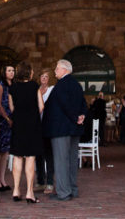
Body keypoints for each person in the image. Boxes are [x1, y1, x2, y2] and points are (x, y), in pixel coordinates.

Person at [41, 59, 87, 202]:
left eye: (57, 68)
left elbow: (65, 105)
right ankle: (72, 189)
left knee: (61, 160)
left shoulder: (61, 85)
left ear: (65, 70)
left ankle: (63, 192)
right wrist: (81, 116)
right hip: (74, 128)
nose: (55, 71)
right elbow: (83, 103)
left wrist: (75, 117)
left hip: (61, 129)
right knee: (72, 160)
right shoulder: (77, 85)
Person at [8, 61, 44, 204]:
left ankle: (16, 190)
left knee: (17, 157)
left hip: (18, 125)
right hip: (32, 125)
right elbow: (41, 106)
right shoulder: (35, 86)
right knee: (30, 158)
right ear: (29, 72)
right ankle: (29, 192)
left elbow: (11, 108)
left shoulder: (13, 88)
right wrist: (32, 114)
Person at [0, 64, 15, 192]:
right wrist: (7, 118)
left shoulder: (12, 86)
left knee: (5, 152)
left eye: (13, 70)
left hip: (10, 121)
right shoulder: (0, 85)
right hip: (2, 121)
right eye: (9, 70)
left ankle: (2, 179)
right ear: (4, 72)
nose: (11, 73)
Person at [36, 68, 55, 195]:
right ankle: (40, 180)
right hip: (37, 125)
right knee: (38, 154)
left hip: (48, 125)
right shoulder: (36, 90)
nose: (44, 78)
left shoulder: (52, 90)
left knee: (48, 155)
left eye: (46, 76)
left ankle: (49, 182)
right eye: (42, 76)